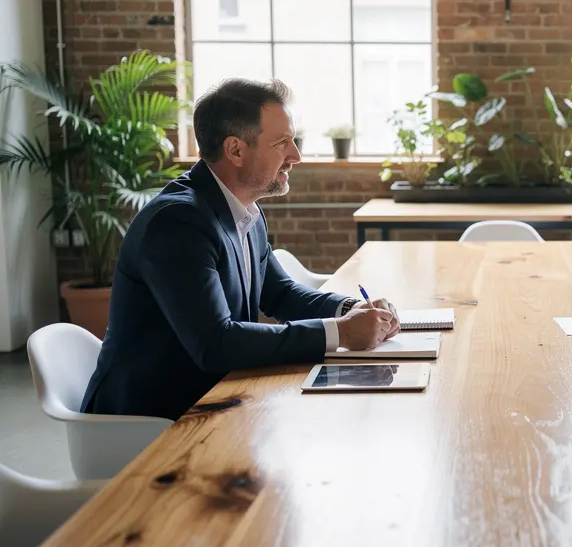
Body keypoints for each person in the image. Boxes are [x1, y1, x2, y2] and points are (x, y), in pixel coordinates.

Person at [80, 78, 400, 420]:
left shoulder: (244, 209)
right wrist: (342, 333)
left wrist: (349, 309)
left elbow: (280, 294)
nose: (296, 156)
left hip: (215, 398)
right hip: (153, 418)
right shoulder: (177, 222)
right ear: (235, 150)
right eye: (281, 143)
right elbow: (216, 344)